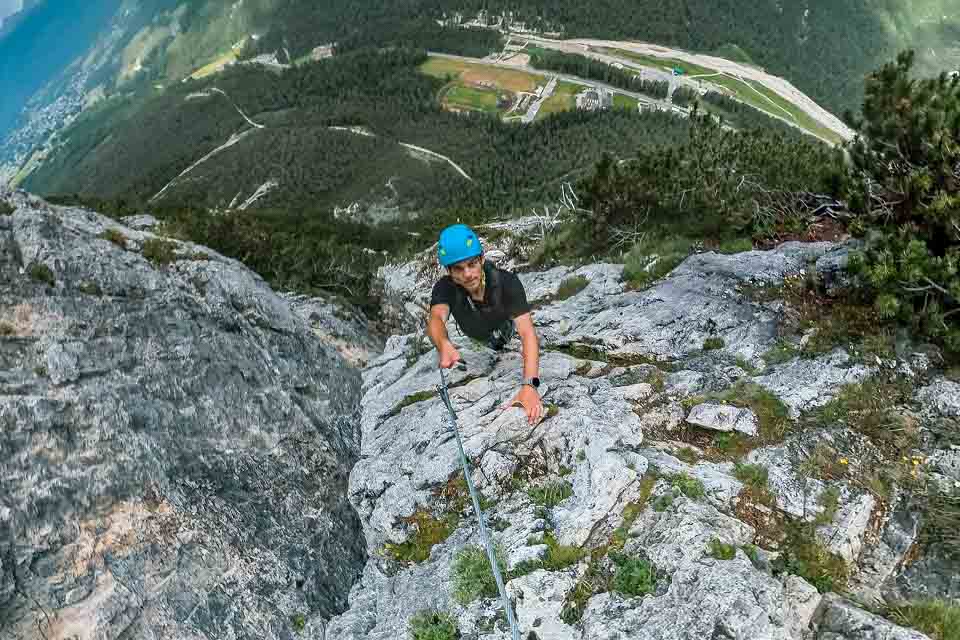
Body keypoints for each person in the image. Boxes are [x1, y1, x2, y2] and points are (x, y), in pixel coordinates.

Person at [426, 224, 544, 425]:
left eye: (472, 264)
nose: (468, 274)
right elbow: (436, 319)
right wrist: (443, 343)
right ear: (449, 271)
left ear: (482, 259)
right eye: (459, 269)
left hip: (505, 329)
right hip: (476, 337)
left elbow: (527, 333)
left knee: (505, 335)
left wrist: (530, 386)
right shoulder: (445, 288)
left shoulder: (507, 282)